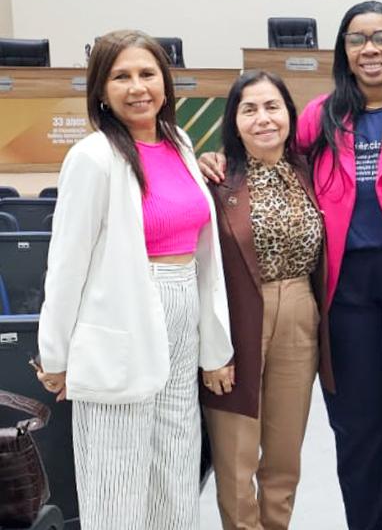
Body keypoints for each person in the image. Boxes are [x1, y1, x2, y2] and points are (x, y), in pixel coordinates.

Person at [200, 0, 382, 530]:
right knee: (356, 427)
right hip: (343, 294)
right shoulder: (321, 114)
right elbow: (274, 159)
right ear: (343, 50)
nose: (370, 49)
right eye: (356, 39)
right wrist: (220, 158)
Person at [35, 30, 234, 529]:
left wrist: (214, 345)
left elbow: (203, 255)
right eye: (121, 76)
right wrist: (56, 357)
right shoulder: (93, 157)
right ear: (101, 91)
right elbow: (66, 264)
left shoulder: (181, 143)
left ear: (165, 83)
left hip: (182, 311)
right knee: (117, 479)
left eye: (147, 74)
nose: (137, 87)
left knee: (175, 467)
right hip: (122, 318)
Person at [202, 70, 333, 529]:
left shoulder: (311, 171)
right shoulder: (216, 180)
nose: (263, 119)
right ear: (234, 121)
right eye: (250, 109)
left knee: (284, 456)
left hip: (299, 313)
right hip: (238, 316)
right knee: (236, 457)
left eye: (272, 107)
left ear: (289, 115)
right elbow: (203, 270)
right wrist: (212, 349)